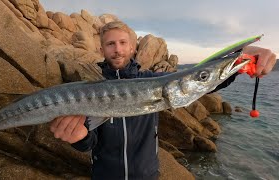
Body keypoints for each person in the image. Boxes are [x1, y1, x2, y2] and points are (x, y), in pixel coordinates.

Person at [50, 21, 277, 179]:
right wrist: (79, 137)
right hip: (104, 176)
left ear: (131, 47)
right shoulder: (91, 88)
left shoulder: (154, 80)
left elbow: (202, 80)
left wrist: (242, 54)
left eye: (122, 43)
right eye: (110, 44)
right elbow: (89, 143)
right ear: (101, 49)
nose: (117, 50)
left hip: (147, 175)